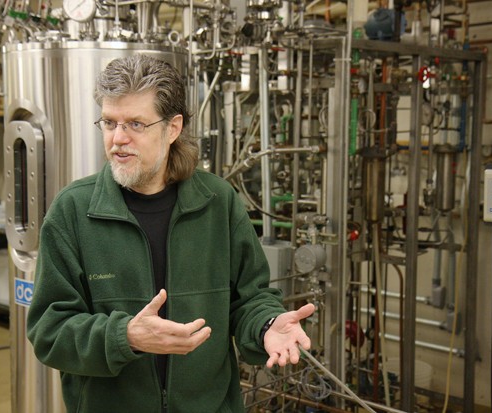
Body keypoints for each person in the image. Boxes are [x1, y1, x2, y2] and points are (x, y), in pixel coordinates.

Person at [26, 54, 315, 413]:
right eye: (109, 123)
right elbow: (49, 330)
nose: (118, 139)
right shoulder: (72, 211)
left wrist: (267, 324)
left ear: (173, 127)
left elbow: (249, 298)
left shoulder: (218, 202)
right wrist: (125, 336)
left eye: (135, 123)